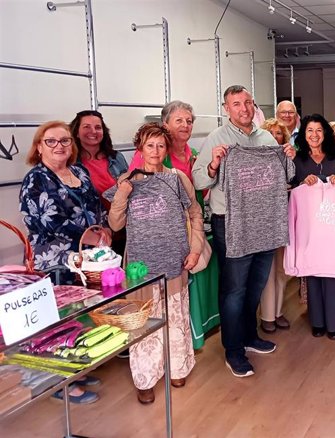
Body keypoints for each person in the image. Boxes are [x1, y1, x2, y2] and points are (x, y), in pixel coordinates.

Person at [192, 85, 296, 378]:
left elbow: (288, 174)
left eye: (248, 102)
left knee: (256, 284)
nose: (244, 108)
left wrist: (287, 154)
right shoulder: (217, 138)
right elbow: (199, 181)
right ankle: (233, 350)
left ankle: (249, 336)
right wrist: (214, 163)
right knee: (234, 289)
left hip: (264, 221)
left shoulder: (265, 136)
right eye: (236, 104)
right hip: (233, 222)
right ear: (227, 109)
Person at [105, 122, 203, 404]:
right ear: (140, 148)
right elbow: (115, 224)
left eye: (161, 145)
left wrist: (195, 250)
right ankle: (145, 378)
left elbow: (196, 215)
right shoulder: (127, 181)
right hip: (140, 268)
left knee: (175, 318)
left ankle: (178, 367)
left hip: (175, 261)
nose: (156, 151)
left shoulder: (177, 179)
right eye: (150, 145)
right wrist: (122, 194)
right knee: (143, 324)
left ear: (167, 148)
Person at [20, 121, 111, 404]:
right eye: (51, 141)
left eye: (64, 141)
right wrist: (88, 235)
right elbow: (42, 220)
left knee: (80, 314)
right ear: (39, 147)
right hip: (54, 260)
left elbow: (95, 206)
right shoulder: (36, 178)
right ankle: (58, 382)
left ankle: (74, 369)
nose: (59, 146)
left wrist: (103, 229)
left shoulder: (79, 172)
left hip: (85, 257)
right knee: (58, 319)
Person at [292, 114, 335, 339]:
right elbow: (291, 189)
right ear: (303, 134)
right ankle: (317, 321)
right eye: (309, 130)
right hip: (309, 229)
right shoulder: (297, 160)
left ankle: (333, 324)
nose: (314, 135)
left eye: (319, 130)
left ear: (325, 133)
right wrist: (301, 183)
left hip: (333, 228)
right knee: (313, 273)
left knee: (333, 274)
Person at [69, 110, 128, 255]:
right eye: (86, 127)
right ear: (76, 132)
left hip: (121, 231)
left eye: (98, 127)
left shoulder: (116, 158)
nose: (93, 131)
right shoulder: (70, 163)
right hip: (92, 238)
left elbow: (130, 189)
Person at [258, 117, 293, 333]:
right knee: (267, 271)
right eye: (269, 132)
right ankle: (267, 316)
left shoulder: (289, 156)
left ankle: (278, 312)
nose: (274, 137)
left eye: (278, 133)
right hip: (266, 219)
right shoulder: (258, 159)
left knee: (282, 270)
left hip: (287, 217)